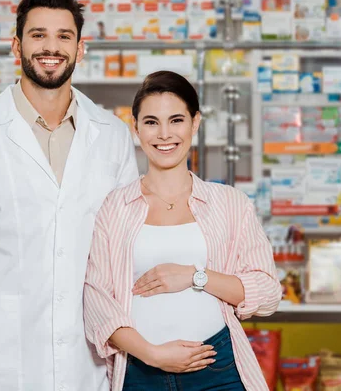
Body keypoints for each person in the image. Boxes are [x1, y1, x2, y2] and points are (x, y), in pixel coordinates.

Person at [0, 0, 139, 389]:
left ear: (80, 48)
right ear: (16, 46)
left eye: (63, 37)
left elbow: (123, 251)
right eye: (38, 35)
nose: (51, 47)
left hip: (84, 358)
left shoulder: (112, 136)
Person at [83, 71, 282, 391]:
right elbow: (97, 301)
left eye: (176, 120)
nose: (164, 134)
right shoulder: (115, 208)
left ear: (195, 123)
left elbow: (268, 292)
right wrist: (152, 354)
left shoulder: (230, 204)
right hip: (140, 371)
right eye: (151, 122)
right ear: (135, 128)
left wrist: (194, 275)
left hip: (219, 370)